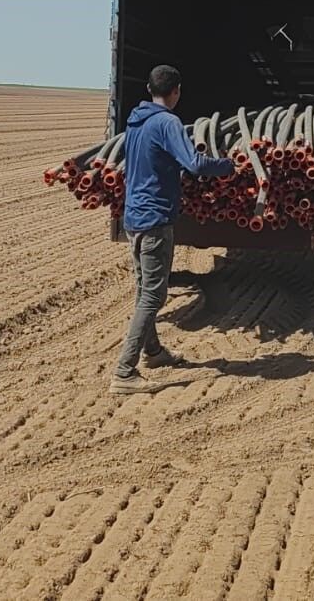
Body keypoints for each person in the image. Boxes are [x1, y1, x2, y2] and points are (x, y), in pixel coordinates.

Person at [110, 64, 235, 395]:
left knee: (144, 291)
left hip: (134, 216)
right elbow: (195, 163)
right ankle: (124, 372)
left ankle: (153, 352)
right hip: (154, 219)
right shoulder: (167, 122)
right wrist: (229, 166)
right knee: (154, 295)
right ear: (176, 91)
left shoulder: (136, 121)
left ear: (149, 89)